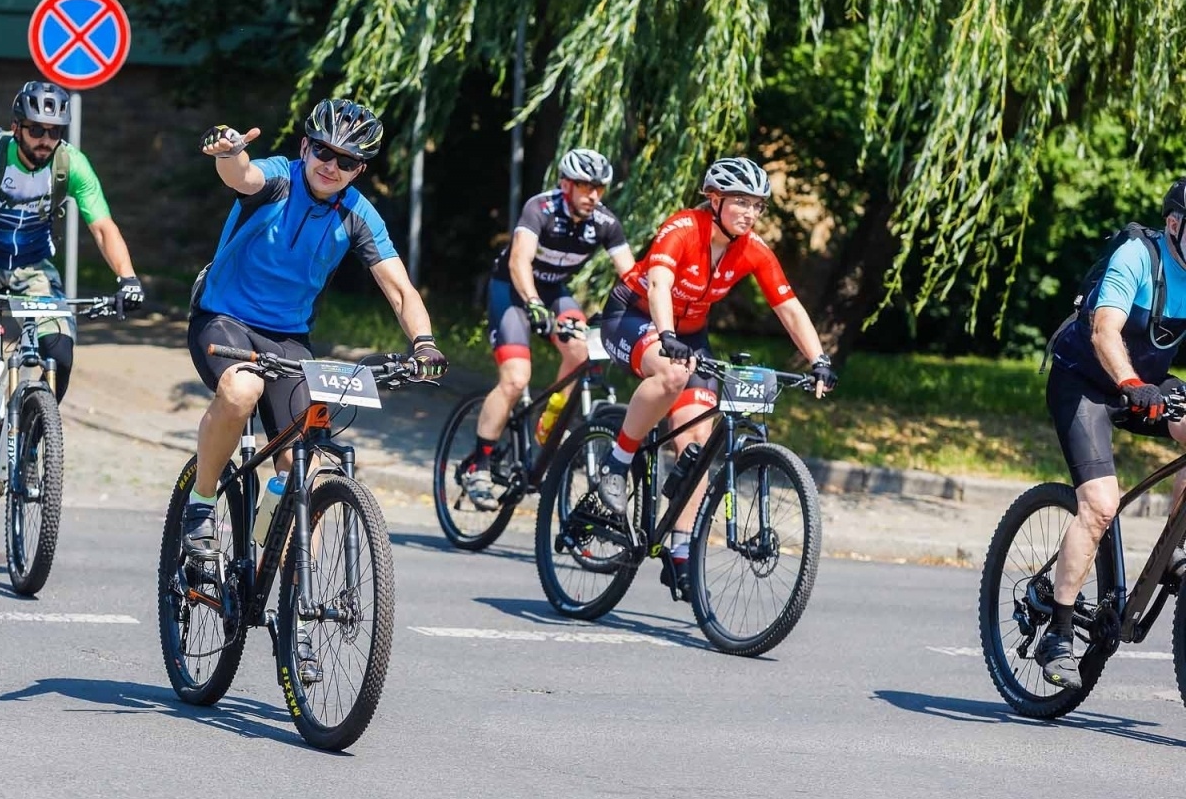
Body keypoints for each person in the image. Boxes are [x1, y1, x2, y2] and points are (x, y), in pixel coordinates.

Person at [182, 98, 449, 556]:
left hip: (288, 337)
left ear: (359, 170)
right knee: (242, 392)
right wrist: (228, 152)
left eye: (346, 161)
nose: (331, 166)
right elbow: (243, 176)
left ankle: (288, 594)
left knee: (304, 469)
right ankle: (201, 504)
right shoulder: (281, 179)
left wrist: (423, 344)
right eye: (324, 152)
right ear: (305, 147)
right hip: (223, 319)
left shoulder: (359, 214)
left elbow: (401, 290)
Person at [597, 156, 835, 594]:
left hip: (690, 336)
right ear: (714, 198)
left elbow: (788, 307)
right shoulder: (684, 228)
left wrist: (819, 358)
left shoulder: (752, 249)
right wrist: (666, 334)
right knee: (670, 375)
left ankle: (682, 548)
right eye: (740, 202)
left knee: (698, 447)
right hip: (632, 317)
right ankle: (617, 462)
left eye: (758, 205)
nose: (749, 213)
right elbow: (658, 286)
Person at [0, 80, 145, 483]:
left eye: (54, 131)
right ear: (17, 126)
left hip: (34, 266)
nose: (46, 140)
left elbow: (102, 226)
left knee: (60, 353)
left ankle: (31, 443)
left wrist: (127, 278)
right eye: (37, 130)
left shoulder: (70, 163)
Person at [1038, 178, 1186, 689]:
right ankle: (1057, 633)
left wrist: (1148, 388)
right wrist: (1131, 384)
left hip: (1145, 383)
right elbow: (1104, 329)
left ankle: (1174, 551)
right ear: (1174, 225)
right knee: (1101, 504)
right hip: (1086, 381)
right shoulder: (1137, 256)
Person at [463, 148, 634, 509]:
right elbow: (519, 259)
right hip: (511, 289)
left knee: (581, 352)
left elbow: (631, 277)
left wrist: (637, 316)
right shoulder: (540, 209)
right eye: (586, 187)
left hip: (555, 291)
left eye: (599, 189)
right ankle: (479, 464)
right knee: (515, 379)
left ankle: (549, 423)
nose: (593, 196)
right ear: (565, 184)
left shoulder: (604, 223)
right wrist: (533, 302)